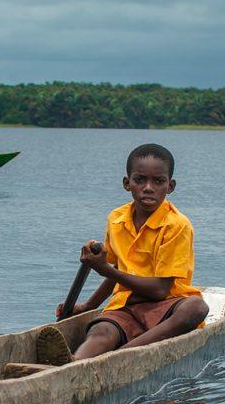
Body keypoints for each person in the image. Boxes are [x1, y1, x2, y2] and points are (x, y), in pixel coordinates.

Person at [11, 144, 208, 375]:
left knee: (196, 307)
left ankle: (119, 356)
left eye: (158, 181)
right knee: (102, 331)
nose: (148, 188)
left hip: (167, 306)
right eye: (140, 179)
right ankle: (73, 363)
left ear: (170, 186)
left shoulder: (177, 225)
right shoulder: (117, 219)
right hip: (127, 304)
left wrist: (105, 270)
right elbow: (118, 268)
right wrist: (88, 306)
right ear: (127, 183)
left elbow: (160, 291)